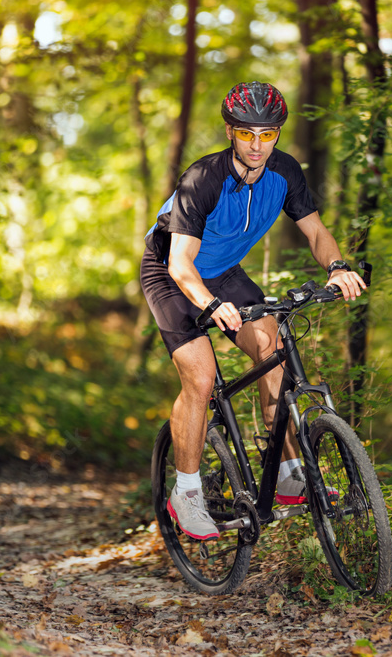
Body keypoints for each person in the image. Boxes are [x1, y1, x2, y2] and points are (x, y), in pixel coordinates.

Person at [140, 81, 366, 540]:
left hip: (223, 271)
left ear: (278, 134)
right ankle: (185, 494)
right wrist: (210, 305)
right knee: (201, 379)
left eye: (268, 134)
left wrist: (337, 267)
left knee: (272, 346)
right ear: (231, 131)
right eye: (247, 134)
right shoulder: (203, 178)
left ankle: (286, 474)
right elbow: (181, 264)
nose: (258, 145)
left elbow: (317, 232)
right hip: (171, 272)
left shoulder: (285, 173)